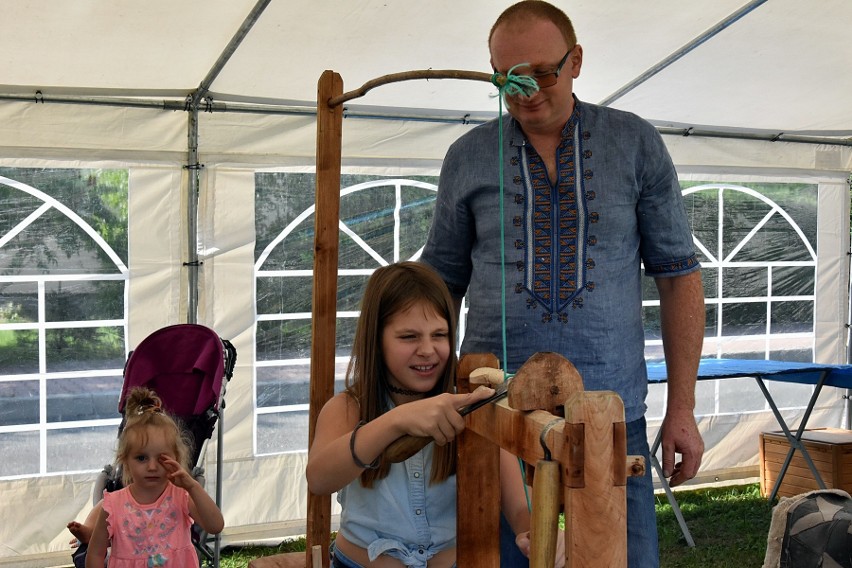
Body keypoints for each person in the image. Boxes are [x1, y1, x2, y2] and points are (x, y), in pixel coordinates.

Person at [420, 1, 706, 566]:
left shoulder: (635, 143)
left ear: (576, 61)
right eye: (506, 79)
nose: (524, 91)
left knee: (620, 558)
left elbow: (679, 277)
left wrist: (682, 410)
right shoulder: (468, 156)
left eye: (541, 73)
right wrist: (420, 389)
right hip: (493, 413)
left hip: (611, 411)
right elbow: (438, 286)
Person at [306, 261, 563, 567]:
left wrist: (534, 530)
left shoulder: (472, 407)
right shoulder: (349, 407)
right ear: (376, 339)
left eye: (439, 334)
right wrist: (396, 420)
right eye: (409, 337)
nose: (427, 349)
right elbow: (319, 479)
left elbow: (520, 505)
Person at [85, 386, 225, 568]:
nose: (152, 467)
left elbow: (215, 526)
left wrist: (192, 486)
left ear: (176, 458)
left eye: (161, 458)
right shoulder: (112, 506)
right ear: (125, 461)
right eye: (141, 458)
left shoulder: (181, 496)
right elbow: (95, 554)